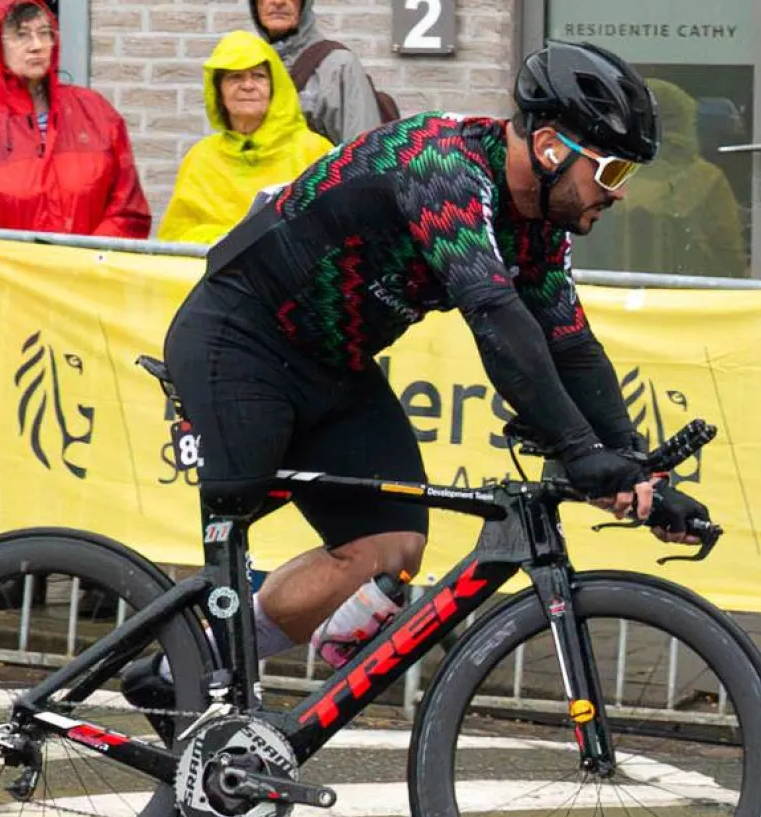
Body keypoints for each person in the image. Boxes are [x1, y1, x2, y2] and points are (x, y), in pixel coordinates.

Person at [125, 41, 709, 718]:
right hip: (239, 341)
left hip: (334, 367)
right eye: (611, 168)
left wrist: (638, 471)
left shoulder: (537, 226)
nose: (620, 189)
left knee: (390, 549)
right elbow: (493, 314)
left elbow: (570, 345)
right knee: (235, 528)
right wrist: (579, 453)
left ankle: (183, 673)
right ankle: (193, 690)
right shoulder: (441, 165)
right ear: (550, 147)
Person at [0, 0, 150, 238]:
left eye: (44, 34)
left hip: (89, 271)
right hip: (5, 273)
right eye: (21, 35)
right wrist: (27, 265)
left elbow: (128, 210)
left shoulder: (95, 111)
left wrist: (88, 257)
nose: (36, 46)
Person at [157, 30, 331, 245]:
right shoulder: (201, 157)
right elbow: (175, 237)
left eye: (258, 76)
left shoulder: (313, 150)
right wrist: (223, 242)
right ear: (219, 91)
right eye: (235, 77)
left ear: (275, 87)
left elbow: (333, 227)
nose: (248, 86)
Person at [615, 79, 745, 278]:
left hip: (608, 298)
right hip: (687, 300)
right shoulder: (706, 179)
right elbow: (730, 257)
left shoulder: (607, 172)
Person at [250, 0, 380, 145]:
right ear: (255, 4)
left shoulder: (338, 66)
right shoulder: (247, 67)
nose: (279, 2)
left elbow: (365, 155)